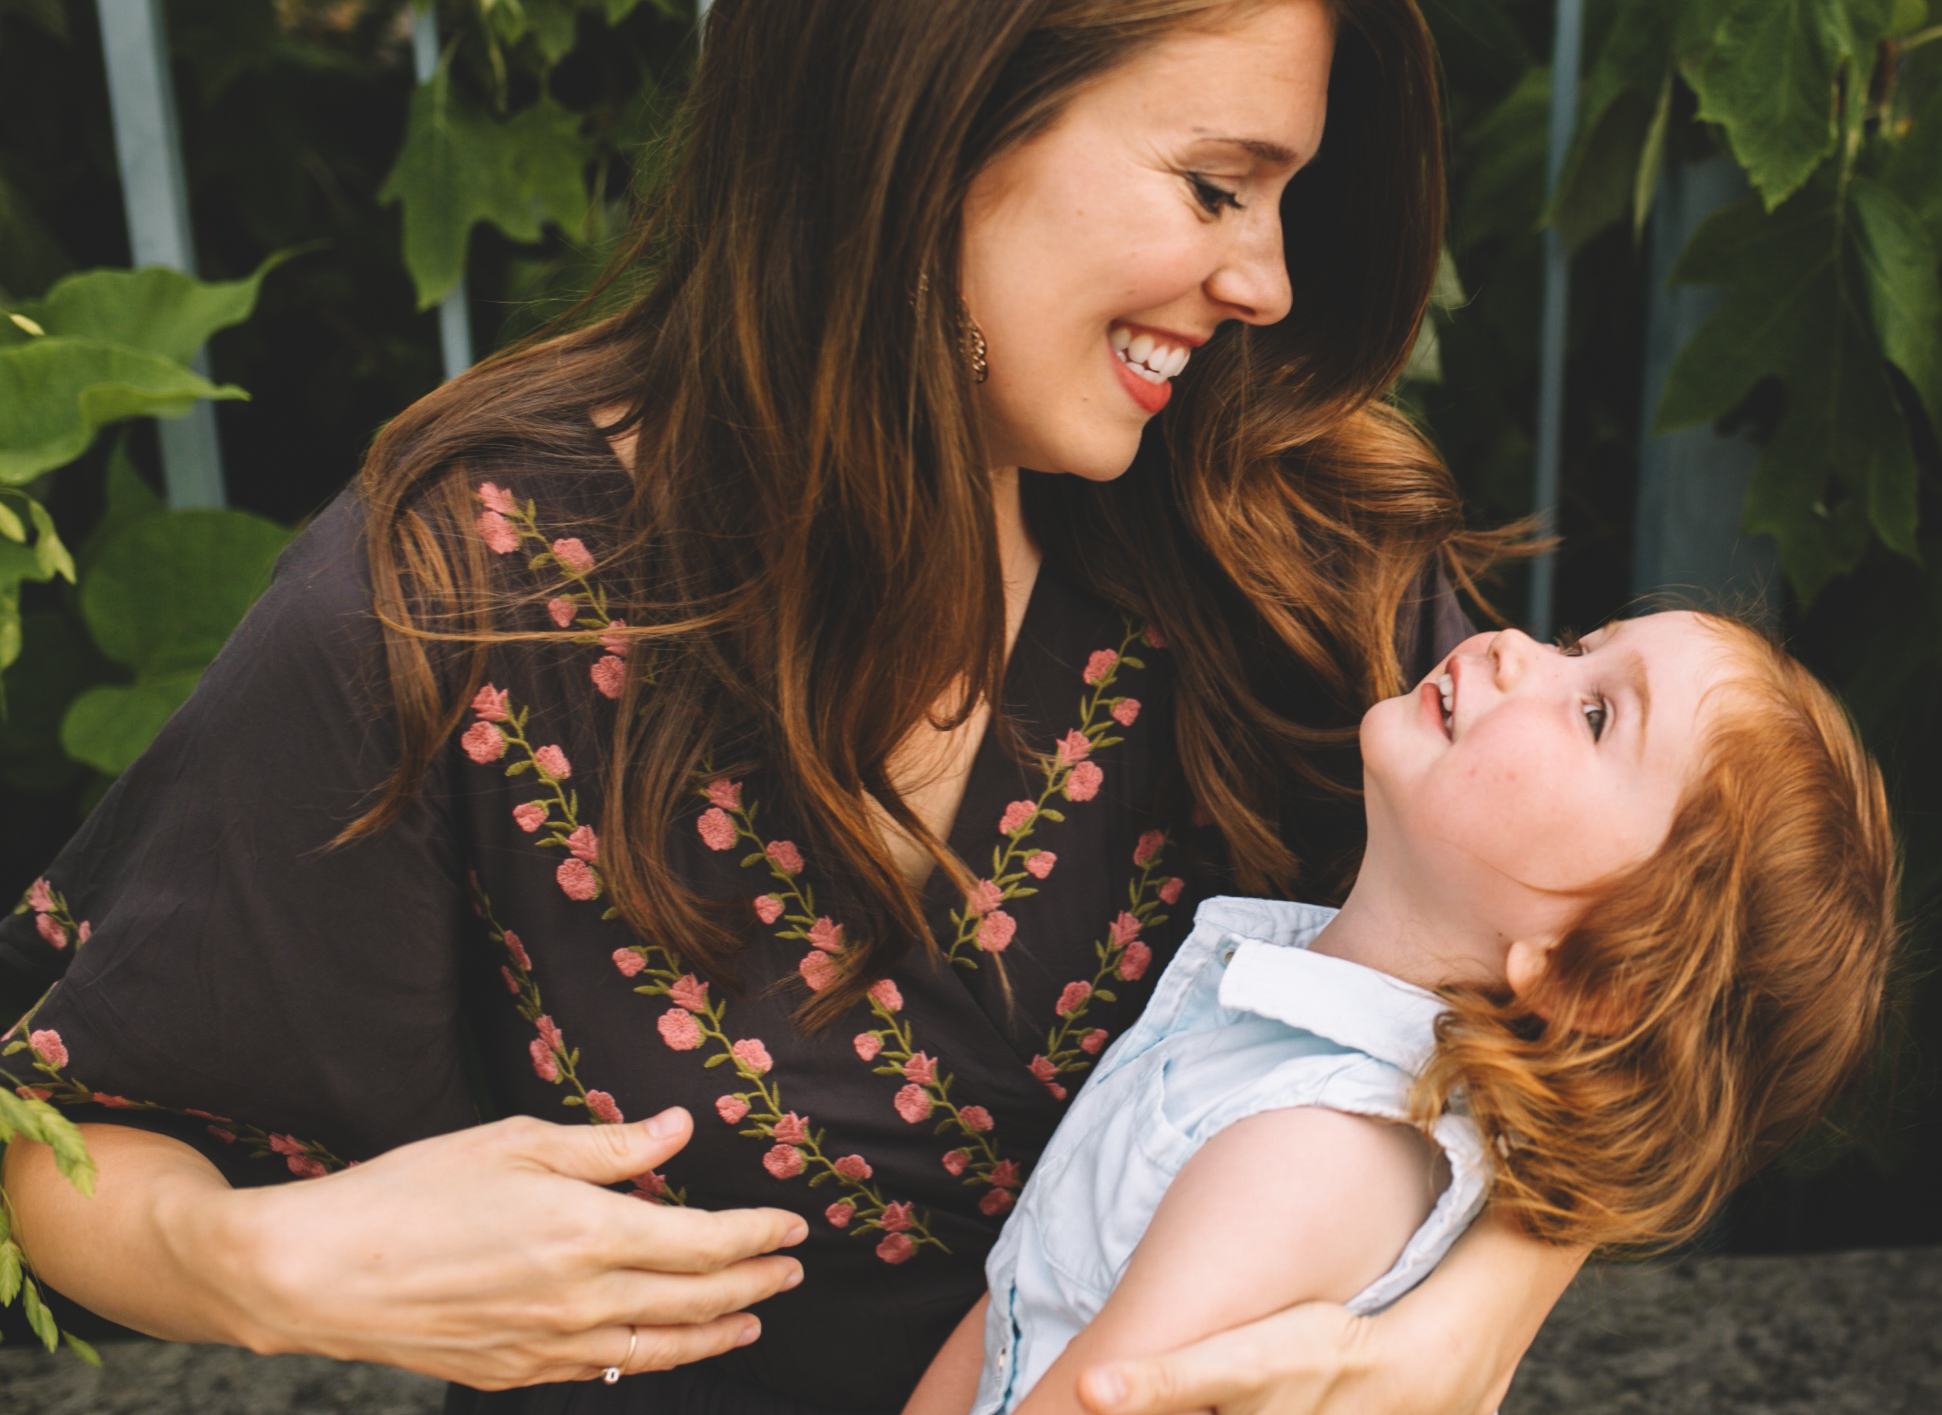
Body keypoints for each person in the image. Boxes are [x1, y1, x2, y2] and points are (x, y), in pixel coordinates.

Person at [0, 2, 1579, 1412]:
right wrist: (255, 1265)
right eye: (1214, 187)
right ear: (931, 130)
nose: (1265, 280)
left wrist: (1466, 1325)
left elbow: (1665, 953)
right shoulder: (457, 592)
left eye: (1289, 199)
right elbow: (53, 1116)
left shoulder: (1284, 556)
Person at [899, 612, 1901, 1415]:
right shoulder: (1288, 1030)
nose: (1519, 648)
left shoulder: (1313, 1157)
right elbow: (1016, 1305)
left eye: (1594, 713)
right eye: (1578, 645)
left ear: (1592, 980)